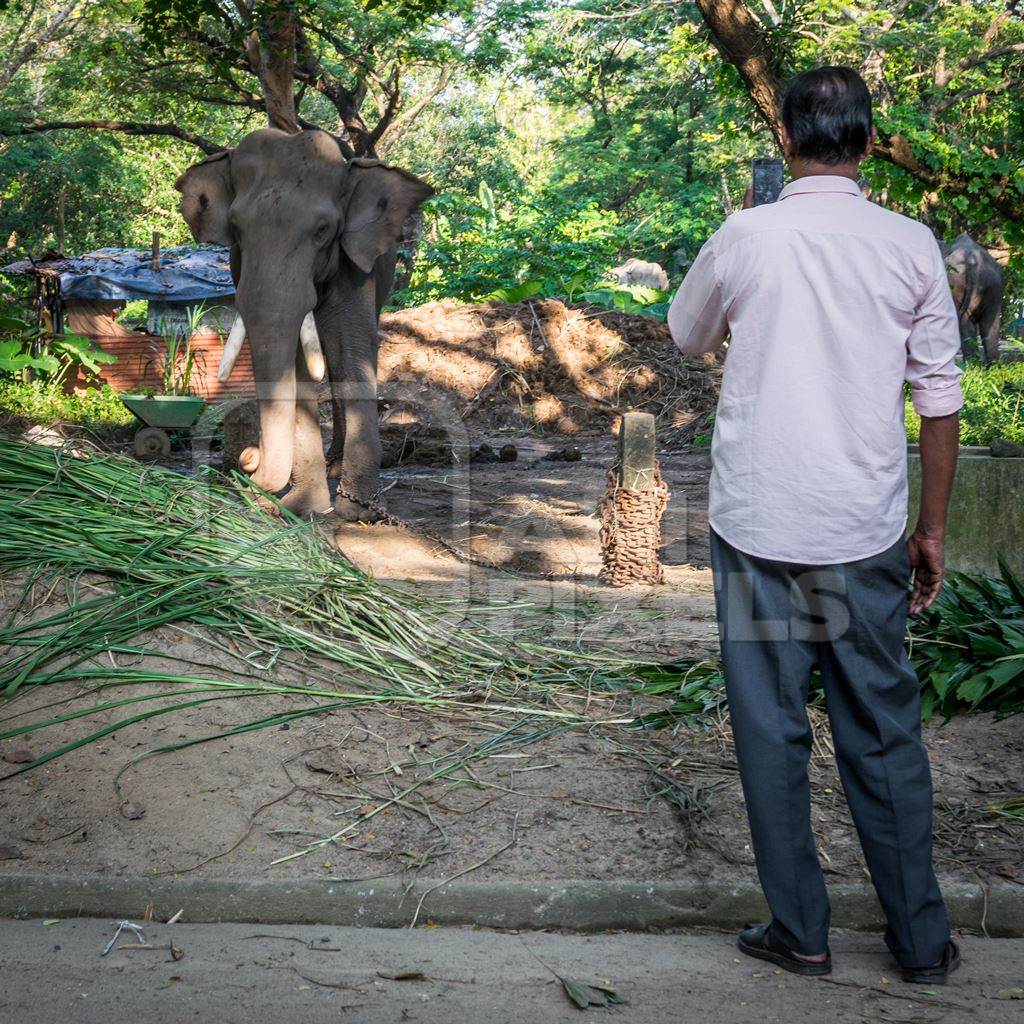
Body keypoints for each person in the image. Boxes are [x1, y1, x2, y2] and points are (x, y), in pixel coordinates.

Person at [668, 66, 963, 985]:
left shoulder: (746, 234)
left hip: (759, 532)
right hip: (864, 532)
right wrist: (931, 532)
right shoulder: (912, 244)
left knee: (770, 727)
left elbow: (686, 335)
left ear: (786, 141)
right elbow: (940, 398)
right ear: (870, 144)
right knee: (882, 728)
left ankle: (800, 931)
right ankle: (919, 943)